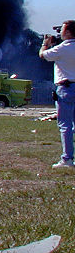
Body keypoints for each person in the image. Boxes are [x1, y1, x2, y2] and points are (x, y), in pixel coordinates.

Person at [39, 20, 75, 169]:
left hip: (66, 89)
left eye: (62, 30)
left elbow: (43, 55)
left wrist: (45, 43)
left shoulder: (62, 48)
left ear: (67, 33)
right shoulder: (63, 48)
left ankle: (67, 159)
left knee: (65, 125)